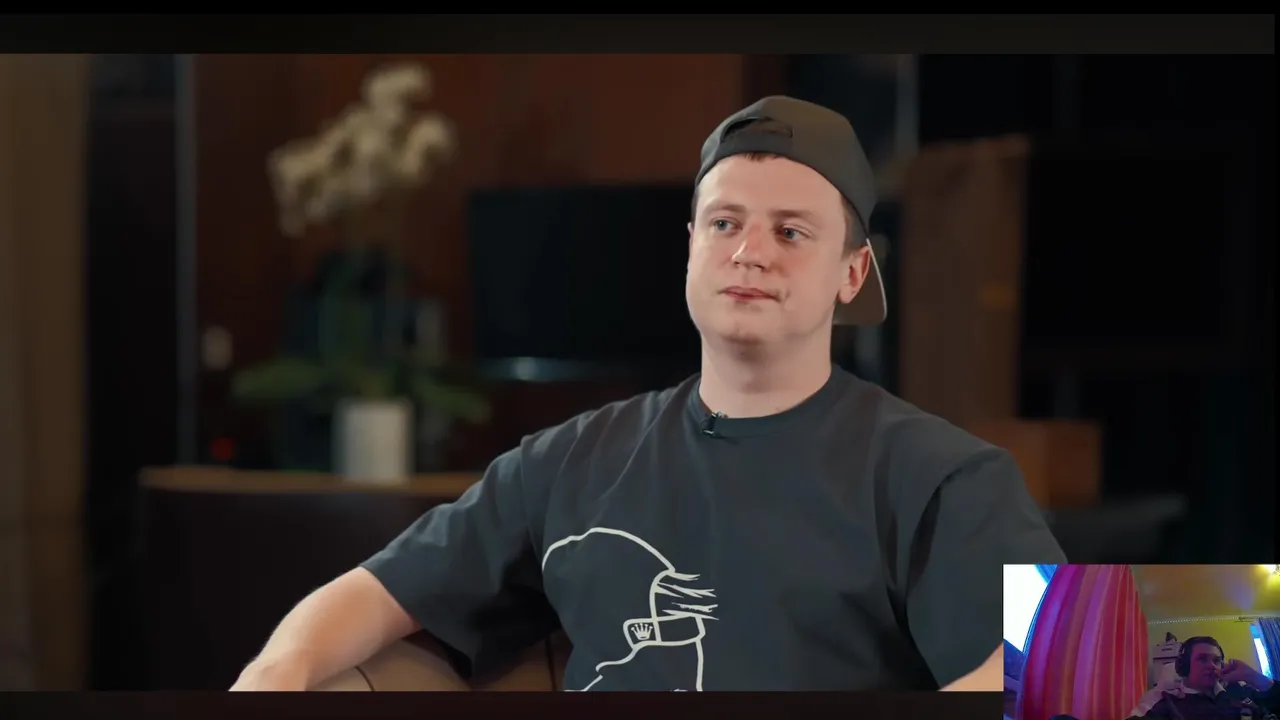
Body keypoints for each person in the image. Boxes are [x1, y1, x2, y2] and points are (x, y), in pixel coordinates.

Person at [231, 95, 1066, 692]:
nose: (749, 252)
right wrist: (276, 670)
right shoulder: (570, 460)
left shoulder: (941, 474)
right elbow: (374, 593)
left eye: (791, 231)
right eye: (725, 223)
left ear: (852, 274)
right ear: (692, 246)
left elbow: (1081, 672)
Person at [1129, 636, 1280, 719]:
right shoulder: (1167, 703)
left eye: (1216, 660)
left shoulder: (1240, 691)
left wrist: (1254, 677)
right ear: (1184, 666)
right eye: (1202, 659)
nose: (1212, 666)